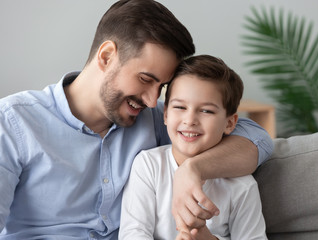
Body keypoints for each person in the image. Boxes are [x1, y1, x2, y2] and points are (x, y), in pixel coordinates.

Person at [0, 0, 273, 239]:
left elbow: (258, 139)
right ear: (107, 56)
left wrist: (194, 170)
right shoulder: (14, 124)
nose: (153, 101)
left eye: (161, 86)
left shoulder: (157, 119)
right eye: (145, 79)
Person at [119, 55, 268, 240]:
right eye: (180, 107)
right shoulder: (148, 166)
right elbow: (132, 233)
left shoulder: (242, 186)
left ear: (229, 123)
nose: (190, 120)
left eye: (206, 111)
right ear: (165, 114)